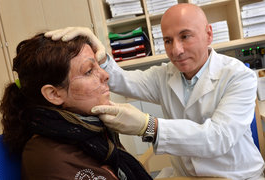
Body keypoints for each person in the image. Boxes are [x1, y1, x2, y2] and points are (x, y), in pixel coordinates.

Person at [45, 3, 265, 180]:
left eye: (185, 36)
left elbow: (218, 138)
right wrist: (99, 56)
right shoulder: (165, 75)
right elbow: (123, 82)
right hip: (186, 176)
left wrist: (149, 126)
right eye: (168, 41)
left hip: (238, 176)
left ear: (208, 34)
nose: (176, 50)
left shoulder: (238, 76)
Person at [0, 33, 152, 180]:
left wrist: (149, 127)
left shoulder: (91, 131)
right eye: (89, 71)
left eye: (98, 66)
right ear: (54, 94)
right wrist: (151, 127)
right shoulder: (49, 159)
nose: (106, 75)